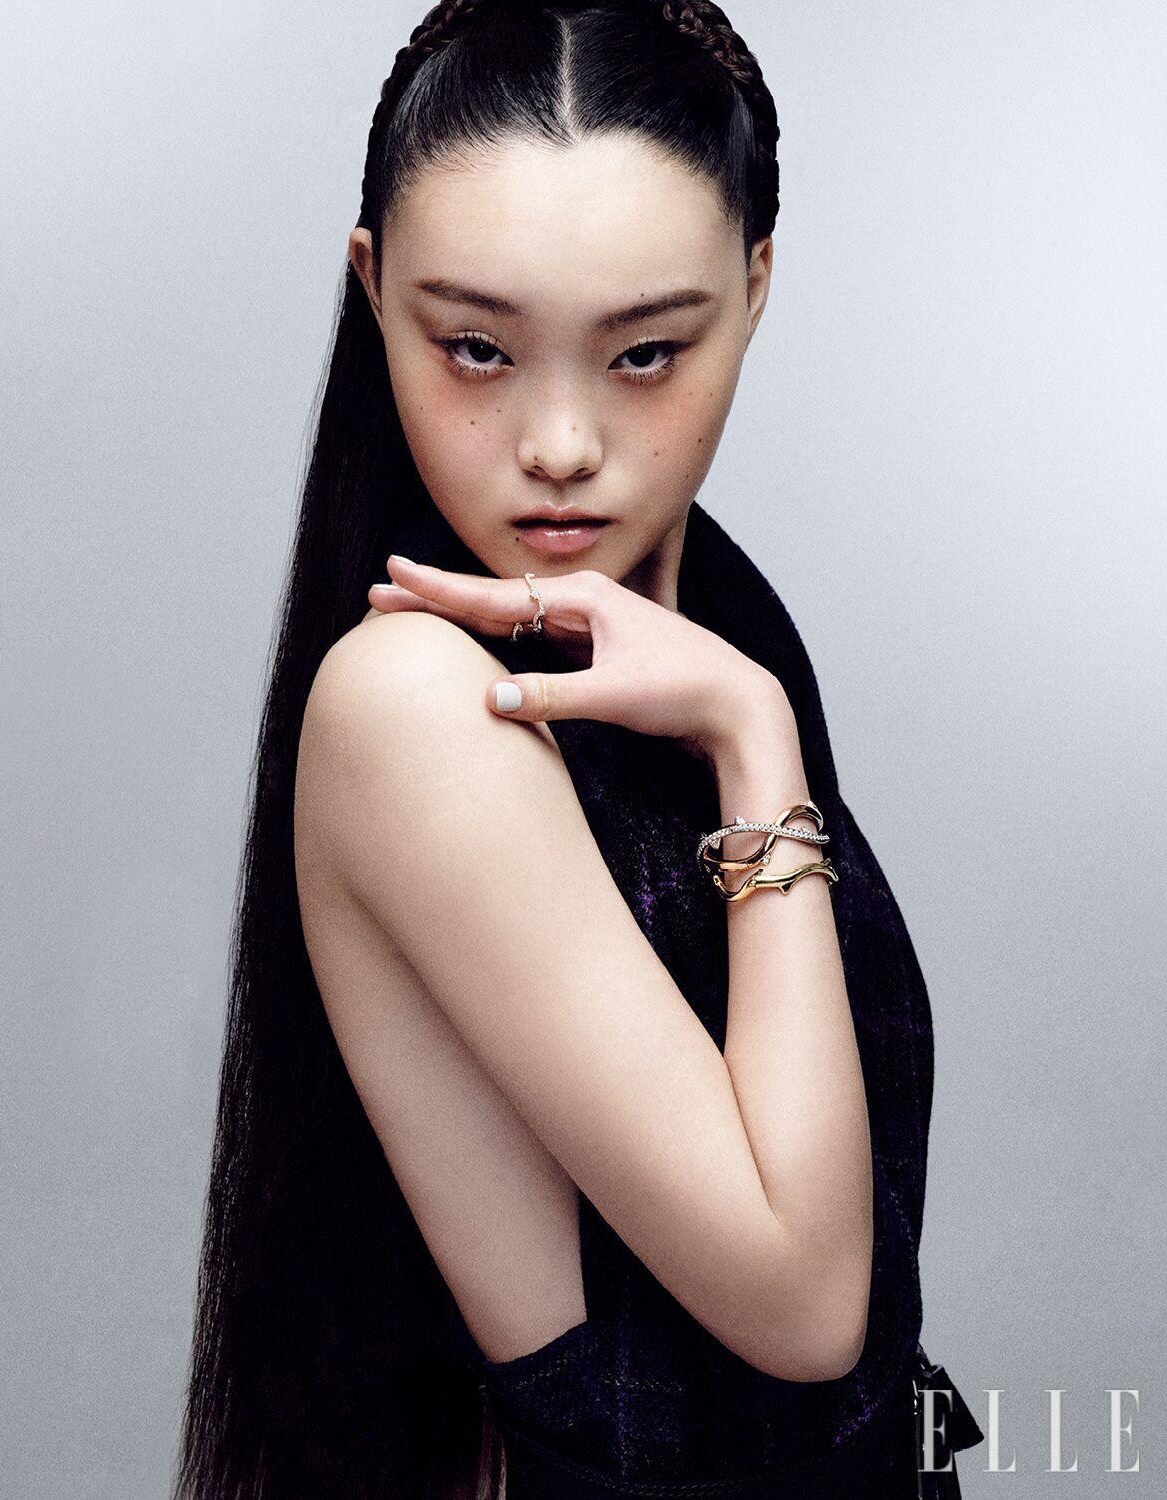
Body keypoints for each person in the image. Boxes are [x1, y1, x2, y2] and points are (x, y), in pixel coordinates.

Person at [173, 2, 984, 1496]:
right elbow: (807, 1310)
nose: (561, 445)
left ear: (754, 290)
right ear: (374, 289)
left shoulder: (698, 618)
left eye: (646, 352)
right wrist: (755, 737)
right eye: (477, 348)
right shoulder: (418, 707)